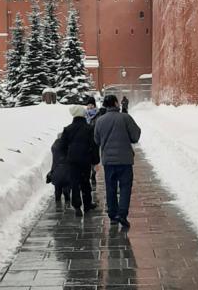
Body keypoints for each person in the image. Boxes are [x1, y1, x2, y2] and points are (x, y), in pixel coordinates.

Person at [94, 93, 141, 230]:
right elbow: (135, 136)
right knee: (125, 187)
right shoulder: (125, 118)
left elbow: (96, 140)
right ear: (115, 103)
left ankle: (112, 214)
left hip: (108, 161)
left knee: (111, 187)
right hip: (125, 160)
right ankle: (122, 214)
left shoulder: (100, 121)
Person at [57, 104, 99, 214]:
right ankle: (87, 204)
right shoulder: (89, 128)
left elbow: (61, 146)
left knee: (74, 183)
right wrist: (95, 160)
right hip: (85, 159)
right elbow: (94, 145)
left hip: (72, 161)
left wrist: (67, 156)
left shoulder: (68, 129)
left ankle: (77, 206)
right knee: (85, 182)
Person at [46, 135, 71, 204]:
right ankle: (67, 204)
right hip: (66, 173)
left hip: (56, 172)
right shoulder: (68, 146)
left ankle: (58, 203)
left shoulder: (54, 147)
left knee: (57, 189)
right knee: (66, 190)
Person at [84, 96, 100, 186]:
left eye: (91, 105)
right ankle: (88, 174)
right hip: (86, 141)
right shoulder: (84, 115)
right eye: (88, 105)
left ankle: (93, 175)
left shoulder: (98, 115)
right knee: (87, 159)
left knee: (94, 160)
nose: (90, 107)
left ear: (94, 105)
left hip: (94, 141)